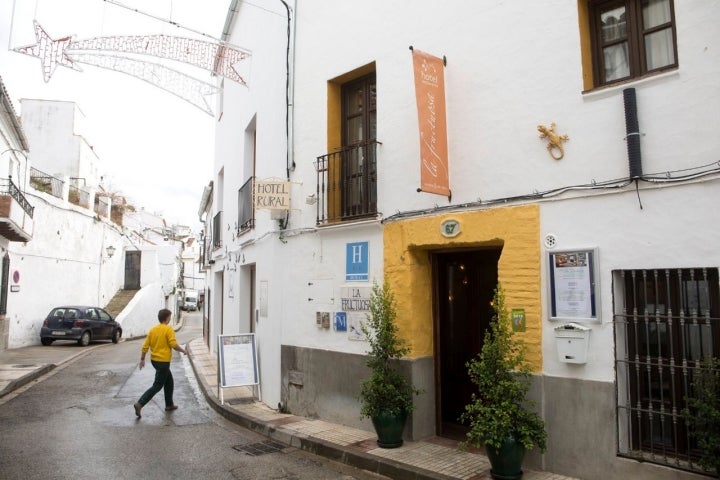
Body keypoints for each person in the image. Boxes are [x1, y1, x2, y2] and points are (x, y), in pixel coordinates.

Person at [133, 308, 187, 418]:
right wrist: (183, 350)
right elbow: (173, 344)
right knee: (157, 385)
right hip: (163, 362)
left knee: (169, 381)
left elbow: (145, 346)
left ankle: (169, 404)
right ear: (166, 318)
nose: (170, 319)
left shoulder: (153, 330)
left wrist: (142, 359)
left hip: (155, 361)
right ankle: (140, 403)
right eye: (169, 317)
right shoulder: (168, 329)